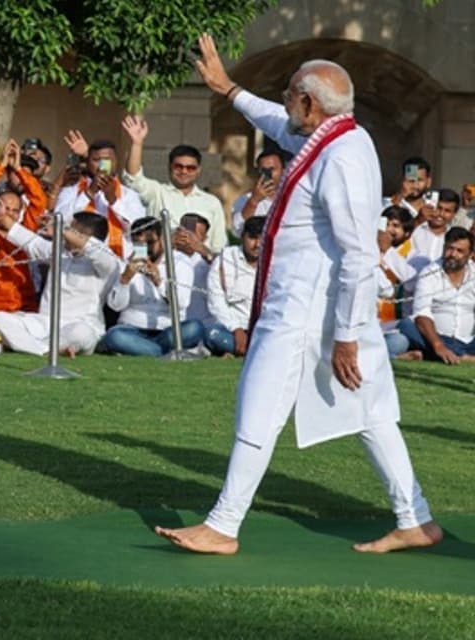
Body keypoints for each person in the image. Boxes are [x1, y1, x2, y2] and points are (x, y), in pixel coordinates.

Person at [154, 34, 441, 555]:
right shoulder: (327, 139)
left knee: (259, 404)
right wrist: (228, 89)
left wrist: (349, 337)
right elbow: (273, 120)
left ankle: (223, 524)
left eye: (290, 94)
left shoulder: (344, 155)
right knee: (370, 412)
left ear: (309, 103)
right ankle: (415, 518)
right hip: (315, 309)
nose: (285, 102)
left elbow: (358, 253)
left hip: (310, 314)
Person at [0, 211, 122, 358]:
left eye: (70, 228)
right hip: (46, 323)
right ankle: (44, 350)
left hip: (81, 325)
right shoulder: (59, 251)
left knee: (81, 334)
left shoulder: (108, 261)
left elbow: (94, 250)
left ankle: (27, 345)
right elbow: (30, 241)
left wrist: (60, 228)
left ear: (83, 236)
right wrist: (2, 217)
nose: (65, 233)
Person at [121, 118, 228, 253]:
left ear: (198, 170)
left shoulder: (212, 202)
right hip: (162, 265)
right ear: (169, 167)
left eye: (190, 168)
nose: (184, 171)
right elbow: (133, 179)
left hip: (199, 269)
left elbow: (219, 248)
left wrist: (198, 247)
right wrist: (137, 143)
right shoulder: (158, 192)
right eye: (178, 166)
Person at [103, 217, 206, 357]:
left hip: (168, 328)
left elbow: (182, 303)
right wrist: (125, 279)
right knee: (113, 336)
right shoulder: (125, 264)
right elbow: (115, 306)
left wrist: (158, 282)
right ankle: (162, 352)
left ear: (163, 239)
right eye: (139, 244)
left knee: (195, 328)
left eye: (150, 242)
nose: (145, 249)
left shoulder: (181, 262)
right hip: (132, 327)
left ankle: (146, 350)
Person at [0, 140, 50, 314]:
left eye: (14, 210)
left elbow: (39, 200)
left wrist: (20, 169)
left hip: (22, 302)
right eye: (5, 208)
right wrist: (2, 165)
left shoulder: (24, 229)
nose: (9, 214)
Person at [54, 132, 145, 258]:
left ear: (116, 162)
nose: (102, 165)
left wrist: (113, 200)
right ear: (88, 163)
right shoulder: (71, 191)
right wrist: (89, 193)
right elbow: (59, 223)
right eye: (96, 160)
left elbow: (140, 230)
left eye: (107, 160)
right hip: (79, 265)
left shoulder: (129, 195)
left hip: (118, 266)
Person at [396, 227, 475, 363]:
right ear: (443, 247)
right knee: (406, 325)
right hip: (437, 338)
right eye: (450, 248)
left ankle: (450, 354)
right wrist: (438, 345)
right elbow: (421, 313)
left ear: (470, 254)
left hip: (470, 340)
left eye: (460, 251)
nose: (453, 254)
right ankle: (459, 356)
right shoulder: (429, 274)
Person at [204, 216, 263, 356]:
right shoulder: (225, 259)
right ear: (242, 237)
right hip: (231, 329)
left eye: (262, 238)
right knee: (212, 334)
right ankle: (255, 352)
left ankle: (249, 351)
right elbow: (216, 302)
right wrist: (236, 329)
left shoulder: (277, 261)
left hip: (265, 329)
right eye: (253, 238)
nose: (257, 244)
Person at [375, 205, 415, 357]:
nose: (388, 230)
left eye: (395, 226)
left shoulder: (414, 256)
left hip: (392, 326)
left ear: (407, 233)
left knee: (399, 341)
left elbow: (410, 282)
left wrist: (387, 251)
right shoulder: (369, 248)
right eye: (386, 224)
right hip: (366, 321)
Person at [231, 150, 283, 236]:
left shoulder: (295, 197)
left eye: (271, 169)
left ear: (283, 171)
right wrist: (254, 201)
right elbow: (237, 231)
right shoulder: (245, 199)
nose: (267, 174)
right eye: (263, 170)